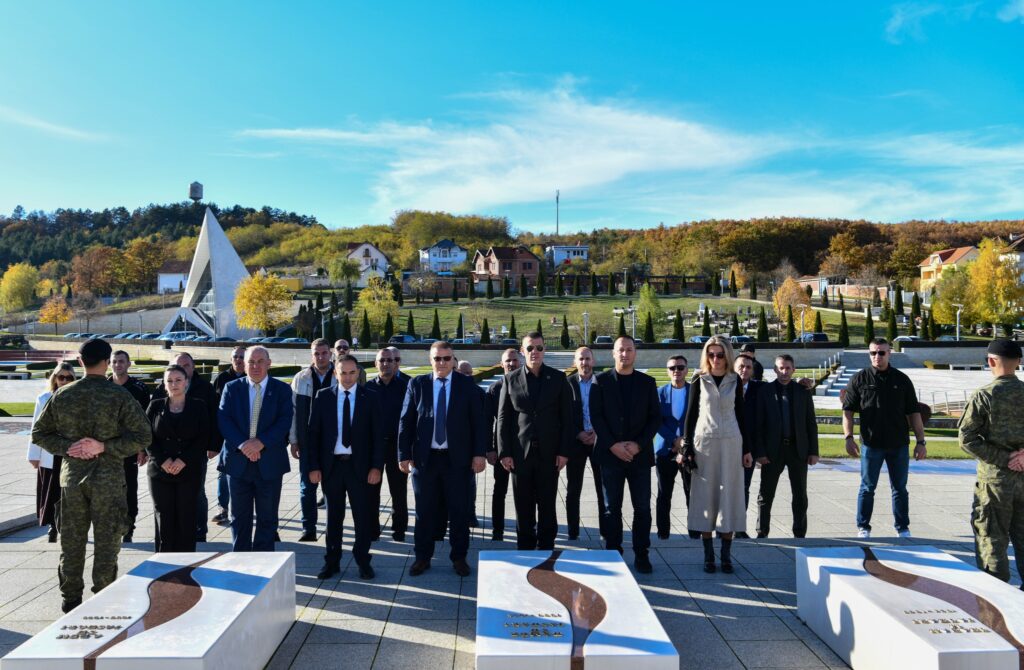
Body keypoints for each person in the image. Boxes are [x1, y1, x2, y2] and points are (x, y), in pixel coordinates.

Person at [31, 338, 151, 613]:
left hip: (72, 479)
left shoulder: (63, 394)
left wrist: (68, 448)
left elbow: (39, 433)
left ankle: (70, 601)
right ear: (107, 362)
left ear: (81, 361)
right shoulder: (119, 395)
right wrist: (105, 446)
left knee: (72, 543)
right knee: (107, 543)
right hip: (107, 479)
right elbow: (143, 435)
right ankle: (104, 600)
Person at [398, 341, 487, 577]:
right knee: (424, 512)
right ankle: (422, 557)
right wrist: (403, 454)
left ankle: (459, 557)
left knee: (459, 511)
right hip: (425, 460)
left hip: (457, 460)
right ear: (430, 360)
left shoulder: (466, 385)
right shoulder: (417, 384)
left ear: (453, 360)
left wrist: (479, 454)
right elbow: (406, 420)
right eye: (437, 358)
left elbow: (479, 422)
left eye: (446, 358)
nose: (442, 363)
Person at [307, 355, 386, 580]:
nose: (348, 377)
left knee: (363, 517)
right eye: (343, 373)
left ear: (358, 373)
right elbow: (313, 435)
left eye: (352, 373)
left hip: (360, 468)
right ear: (335, 373)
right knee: (333, 518)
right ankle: (331, 562)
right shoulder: (323, 397)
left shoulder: (370, 397)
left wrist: (376, 467)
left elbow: (378, 437)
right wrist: (313, 466)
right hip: (332, 467)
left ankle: (363, 561)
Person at [678, 335, 751, 574]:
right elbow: (690, 415)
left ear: (727, 356)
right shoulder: (699, 379)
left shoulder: (735, 380)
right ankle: (708, 555)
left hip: (731, 443)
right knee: (705, 498)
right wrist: (687, 446)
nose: (716, 359)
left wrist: (747, 449)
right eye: (711, 354)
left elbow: (742, 414)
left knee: (729, 497)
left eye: (720, 354)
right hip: (705, 443)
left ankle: (726, 555)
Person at [590, 335, 661, 574]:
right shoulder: (600, 382)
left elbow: (654, 418)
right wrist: (614, 446)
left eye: (629, 350)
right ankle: (613, 552)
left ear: (635, 353)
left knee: (642, 508)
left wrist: (638, 445)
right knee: (612, 508)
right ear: (613, 353)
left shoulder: (647, 383)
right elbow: (597, 417)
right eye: (620, 350)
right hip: (610, 456)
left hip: (639, 456)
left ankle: (642, 554)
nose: (625, 354)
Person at [843, 337, 926, 539]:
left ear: (889, 353)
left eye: (881, 352)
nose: (877, 356)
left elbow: (913, 413)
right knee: (867, 487)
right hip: (871, 444)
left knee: (899, 489)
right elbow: (847, 412)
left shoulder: (902, 380)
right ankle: (863, 527)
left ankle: (903, 528)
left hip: (898, 444)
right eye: (873, 353)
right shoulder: (859, 379)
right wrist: (848, 437)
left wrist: (921, 442)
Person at [497, 332, 573, 550]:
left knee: (547, 505)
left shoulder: (558, 378)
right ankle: (525, 548)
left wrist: (564, 451)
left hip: (550, 454)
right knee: (523, 506)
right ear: (522, 351)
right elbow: (503, 418)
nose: (535, 352)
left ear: (544, 350)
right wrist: (504, 452)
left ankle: (547, 547)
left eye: (539, 348)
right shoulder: (510, 379)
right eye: (530, 348)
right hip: (520, 454)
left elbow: (567, 419)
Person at [959, 338, 1024, 585]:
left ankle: (996, 603)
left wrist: (1005, 458)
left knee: (992, 541)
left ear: (990, 361)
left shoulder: (985, 396)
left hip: (996, 483)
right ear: (1018, 362)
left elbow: (967, 440)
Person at [218, 346, 294, 551]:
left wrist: (260, 443)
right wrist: (245, 445)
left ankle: (264, 562)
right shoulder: (232, 388)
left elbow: (284, 421)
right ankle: (240, 563)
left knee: (267, 518)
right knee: (239, 518)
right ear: (244, 364)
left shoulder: (282, 390)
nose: (255, 366)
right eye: (251, 361)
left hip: (269, 464)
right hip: (237, 463)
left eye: (260, 361)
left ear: (269, 363)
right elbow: (224, 420)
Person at [152, 352, 219, 542]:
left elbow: (208, 427)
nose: (175, 384)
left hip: (192, 460)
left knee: (193, 501)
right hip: (162, 465)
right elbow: (148, 432)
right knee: (165, 510)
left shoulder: (203, 394)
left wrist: (212, 446)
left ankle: (199, 534)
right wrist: (161, 459)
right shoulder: (157, 400)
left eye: (179, 379)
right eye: (170, 380)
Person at [754, 354, 819, 538]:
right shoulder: (765, 391)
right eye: (780, 368)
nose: (784, 372)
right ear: (774, 370)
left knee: (800, 494)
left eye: (788, 368)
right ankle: (762, 530)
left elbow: (810, 423)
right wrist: (760, 452)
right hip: (772, 451)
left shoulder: (803, 391)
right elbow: (758, 425)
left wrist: (813, 451)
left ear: (794, 369)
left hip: (797, 450)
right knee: (765, 494)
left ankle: (799, 532)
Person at [289, 338, 336, 542]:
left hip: (334, 442)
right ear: (312, 355)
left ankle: (333, 529)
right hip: (308, 441)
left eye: (324, 353)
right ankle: (309, 528)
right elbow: (293, 412)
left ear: (330, 353)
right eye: (316, 353)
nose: (320, 357)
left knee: (332, 488)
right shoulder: (301, 378)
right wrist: (293, 440)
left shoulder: (339, 374)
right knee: (307, 488)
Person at [27, 362, 77, 543]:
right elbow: (36, 428)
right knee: (52, 492)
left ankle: (69, 526)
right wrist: (33, 455)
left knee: (70, 493)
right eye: (61, 377)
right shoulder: (44, 398)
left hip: (71, 452)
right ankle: (52, 526)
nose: (64, 381)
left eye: (68, 377)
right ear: (55, 378)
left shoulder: (78, 398)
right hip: (50, 453)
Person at [365, 346, 410, 541]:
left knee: (399, 492)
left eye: (389, 360)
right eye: (381, 360)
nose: (385, 364)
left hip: (396, 447)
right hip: (372, 448)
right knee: (370, 492)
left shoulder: (406, 387)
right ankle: (372, 530)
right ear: (376, 364)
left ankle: (399, 531)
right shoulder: (366, 388)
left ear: (396, 363)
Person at [109, 350, 150, 543]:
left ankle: (129, 527)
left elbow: (146, 421)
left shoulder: (139, 388)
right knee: (108, 490)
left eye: (121, 361)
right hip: (106, 449)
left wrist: (143, 449)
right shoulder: (103, 387)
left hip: (129, 448)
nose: (118, 365)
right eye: (114, 361)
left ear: (128, 364)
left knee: (129, 489)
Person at [566, 347, 605, 540]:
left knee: (603, 489)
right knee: (573, 490)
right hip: (576, 443)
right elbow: (563, 416)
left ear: (593, 361)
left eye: (588, 359)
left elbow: (609, 413)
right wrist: (578, 433)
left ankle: (606, 532)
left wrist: (598, 433)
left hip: (600, 442)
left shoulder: (604, 383)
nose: (585, 363)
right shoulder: (567, 384)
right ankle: (573, 532)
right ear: (575, 362)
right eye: (581, 359)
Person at [654, 355, 691, 540]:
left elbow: (699, 419)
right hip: (664, 450)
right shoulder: (659, 393)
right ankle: (663, 533)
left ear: (687, 369)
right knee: (663, 495)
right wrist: (674, 440)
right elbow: (655, 421)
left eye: (680, 367)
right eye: (672, 368)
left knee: (691, 493)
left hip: (690, 451)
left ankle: (695, 532)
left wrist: (685, 441)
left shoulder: (695, 392)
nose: (676, 371)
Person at [485, 348, 519, 541]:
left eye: (514, 361)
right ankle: (497, 530)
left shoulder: (528, 384)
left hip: (524, 449)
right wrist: (489, 448)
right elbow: (487, 421)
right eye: (508, 361)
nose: (511, 364)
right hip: (500, 449)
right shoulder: (494, 388)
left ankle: (525, 528)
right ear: (502, 364)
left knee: (525, 492)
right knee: (500, 490)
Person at [211, 346, 247, 525]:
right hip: (227, 435)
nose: (239, 360)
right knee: (224, 473)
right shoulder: (222, 379)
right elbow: (215, 410)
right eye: (236, 357)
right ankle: (222, 508)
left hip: (249, 436)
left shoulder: (254, 377)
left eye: (242, 357)